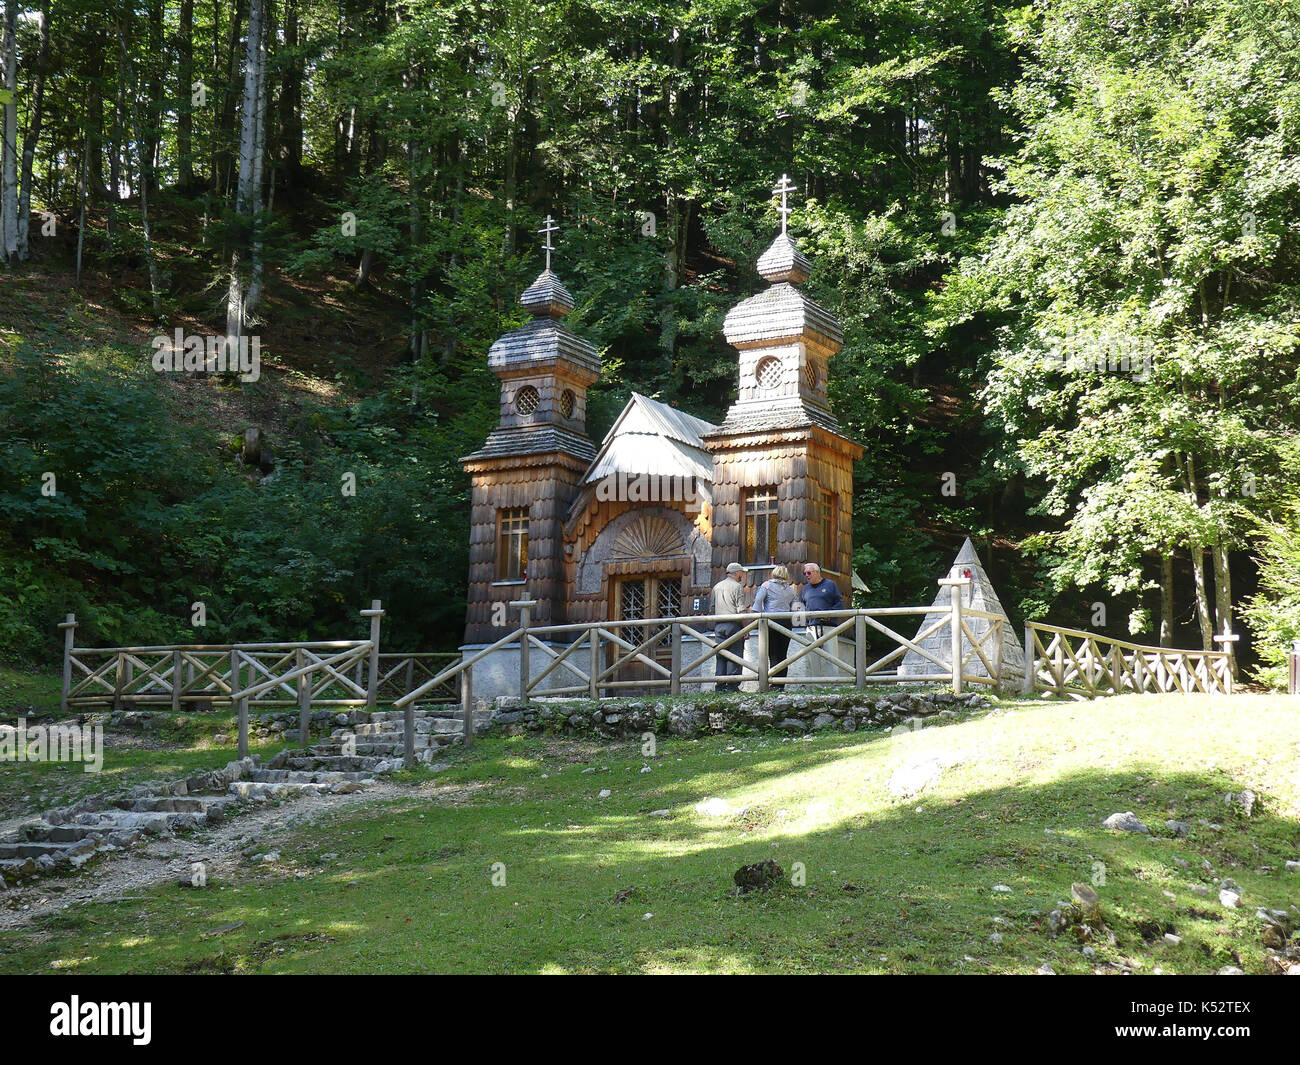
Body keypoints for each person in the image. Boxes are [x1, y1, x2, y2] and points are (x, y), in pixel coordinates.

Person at [753, 564, 799, 680]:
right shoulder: (790, 589)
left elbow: (757, 603)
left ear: (774, 573)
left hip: (771, 622)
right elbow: (796, 607)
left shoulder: (767, 585)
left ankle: (773, 681)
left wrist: (755, 618)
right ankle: (781, 683)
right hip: (786, 622)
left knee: (772, 654)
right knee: (783, 654)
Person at [710, 562, 747, 692]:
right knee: (735, 655)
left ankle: (719, 686)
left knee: (721, 655)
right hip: (733, 624)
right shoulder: (737, 587)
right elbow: (741, 610)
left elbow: (712, 608)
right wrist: (745, 629)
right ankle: (732, 686)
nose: (742, 575)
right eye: (741, 572)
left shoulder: (716, 587)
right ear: (736, 573)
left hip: (719, 625)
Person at [800, 563, 844, 634]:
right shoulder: (805, 589)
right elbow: (801, 606)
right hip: (811, 628)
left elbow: (839, 603)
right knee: (812, 645)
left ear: (817, 572)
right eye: (804, 573)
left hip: (829, 627)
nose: (806, 575)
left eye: (809, 573)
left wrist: (829, 614)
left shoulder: (830, 584)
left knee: (829, 646)